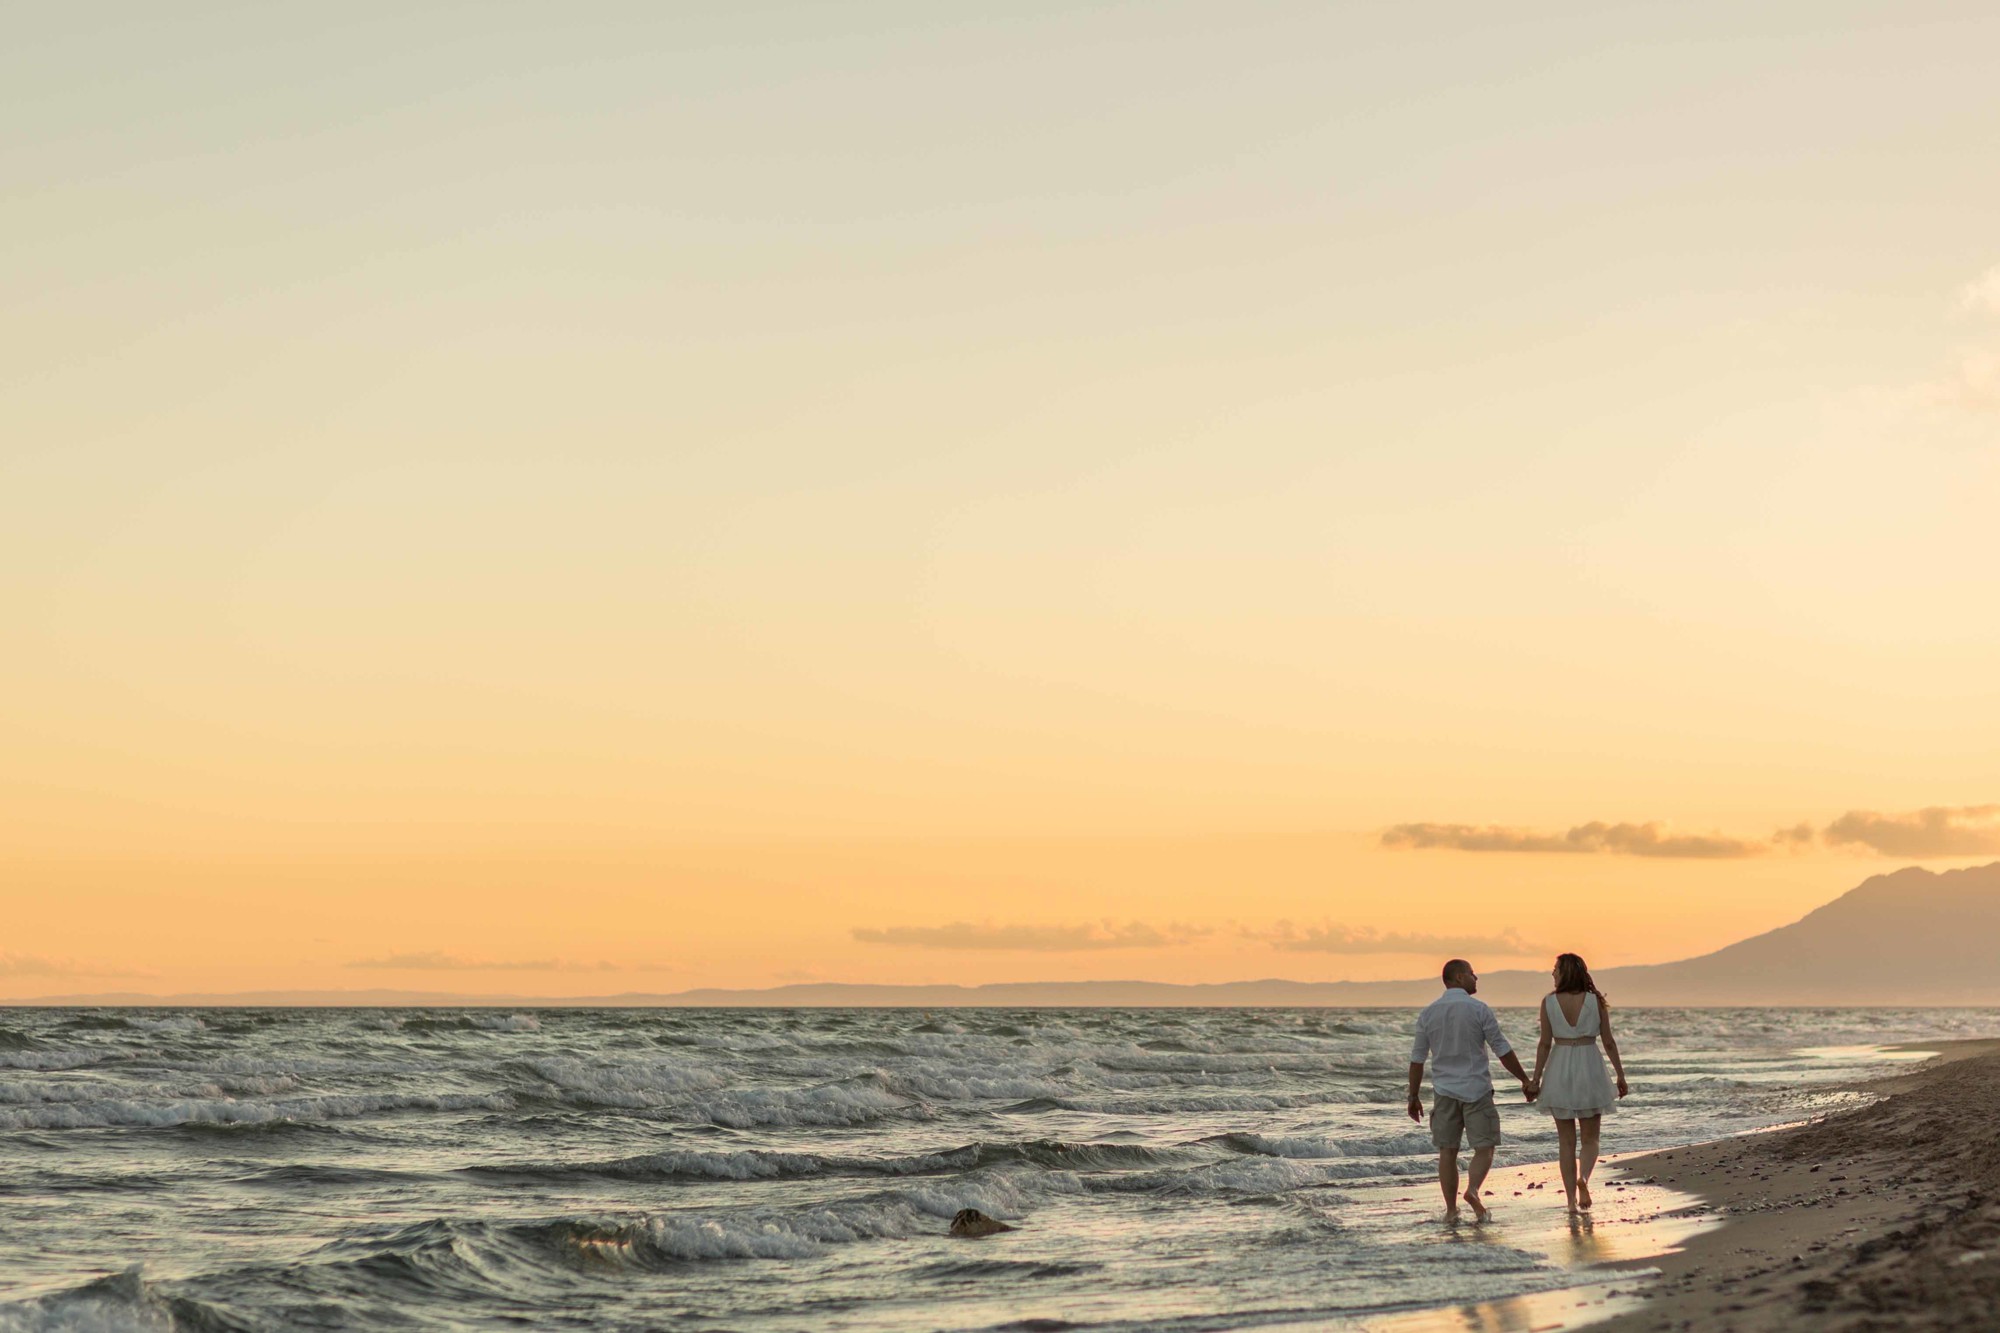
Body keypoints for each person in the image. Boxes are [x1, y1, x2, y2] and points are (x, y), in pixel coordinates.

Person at [1407, 959, 1537, 1222]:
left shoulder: (1428, 1013)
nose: (1476, 978)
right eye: (1471, 974)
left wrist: (1413, 1095)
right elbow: (1501, 1049)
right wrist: (1524, 1079)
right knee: (1485, 1146)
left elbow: (1418, 1059)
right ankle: (1473, 1190)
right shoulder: (1479, 1009)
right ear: (1457, 977)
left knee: (1447, 1151)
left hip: (1444, 1091)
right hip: (1477, 1089)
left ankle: (1451, 1210)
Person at [1530, 952, 1630, 1213]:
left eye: (1555, 969)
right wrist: (1620, 1074)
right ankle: (1584, 1178)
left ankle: (1571, 1202)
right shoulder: (1595, 1001)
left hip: (1560, 1065)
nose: (1553, 973)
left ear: (1565, 972)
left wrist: (1535, 1078)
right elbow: (1608, 1041)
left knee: (1565, 1142)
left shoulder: (1549, 1002)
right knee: (1590, 1139)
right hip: (1589, 1064)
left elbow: (1544, 1044)